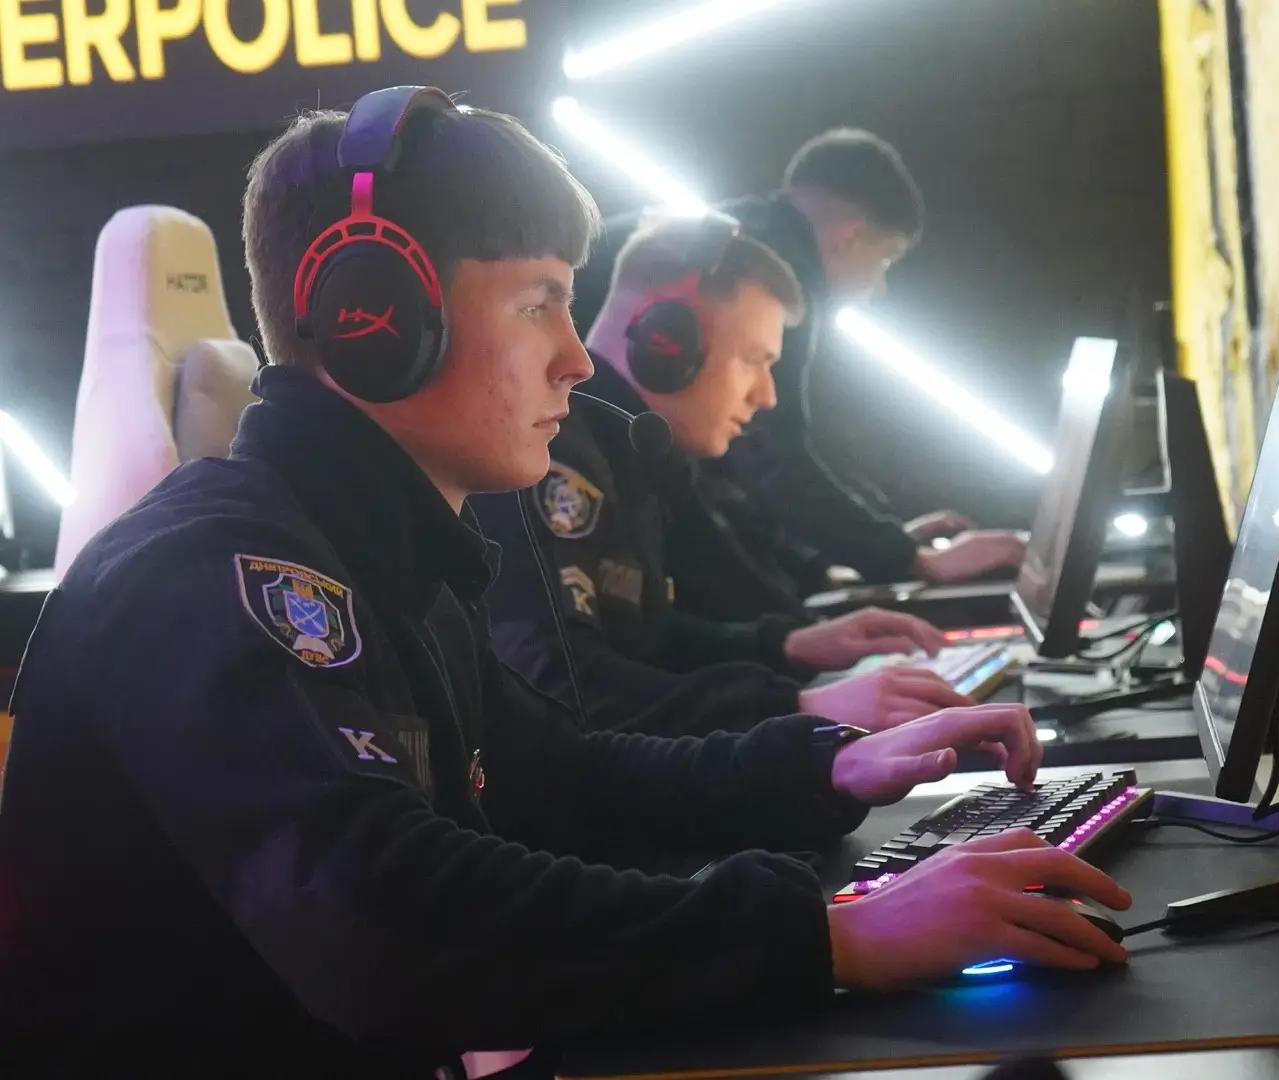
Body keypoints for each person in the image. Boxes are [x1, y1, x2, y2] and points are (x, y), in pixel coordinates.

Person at [0, 89, 1130, 1076]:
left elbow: (564, 778)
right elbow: (383, 923)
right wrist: (833, 937)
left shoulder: (382, 554)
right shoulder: (217, 577)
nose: (580, 359)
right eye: (538, 301)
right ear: (373, 317)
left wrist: (827, 763)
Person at [478, 214, 974, 736]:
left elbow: (642, 640)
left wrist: (786, 646)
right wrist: (797, 706)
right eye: (754, 360)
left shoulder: (629, 457)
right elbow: (562, 689)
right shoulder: (547, 458)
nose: (767, 395)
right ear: (666, 340)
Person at [570, 129, 1028, 621]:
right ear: (851, 235)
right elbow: (770, 463)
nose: (879, 286)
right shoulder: (756, 269)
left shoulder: (738, 240)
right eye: (885, 259)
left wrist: (859, 550)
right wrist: (906, 558)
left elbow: (744, 477)